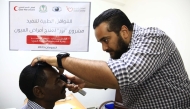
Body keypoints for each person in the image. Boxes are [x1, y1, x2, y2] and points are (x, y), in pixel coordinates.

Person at [30, 8, 190, 108]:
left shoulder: (154, 38)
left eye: (106, 40)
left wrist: (60, 60)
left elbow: (122, 75)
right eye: (101, 42)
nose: (104, 48)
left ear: (124, 31)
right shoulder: (123, 51)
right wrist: (82, 81)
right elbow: (115, 80)